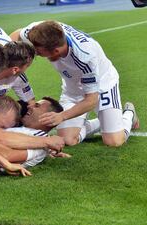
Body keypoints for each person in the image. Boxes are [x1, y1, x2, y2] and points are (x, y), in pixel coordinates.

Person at [10, 20, 139, 147]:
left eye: (39, 51)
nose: (35, 53)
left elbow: (91, 100)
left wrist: (62, 116)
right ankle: (103, 122)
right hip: (73, 89)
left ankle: (128, 115)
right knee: (68, 139)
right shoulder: (40, 31)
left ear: (55, 51)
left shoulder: (85, 57)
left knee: (114, 142)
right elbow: (17, 34)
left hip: (102, 86)